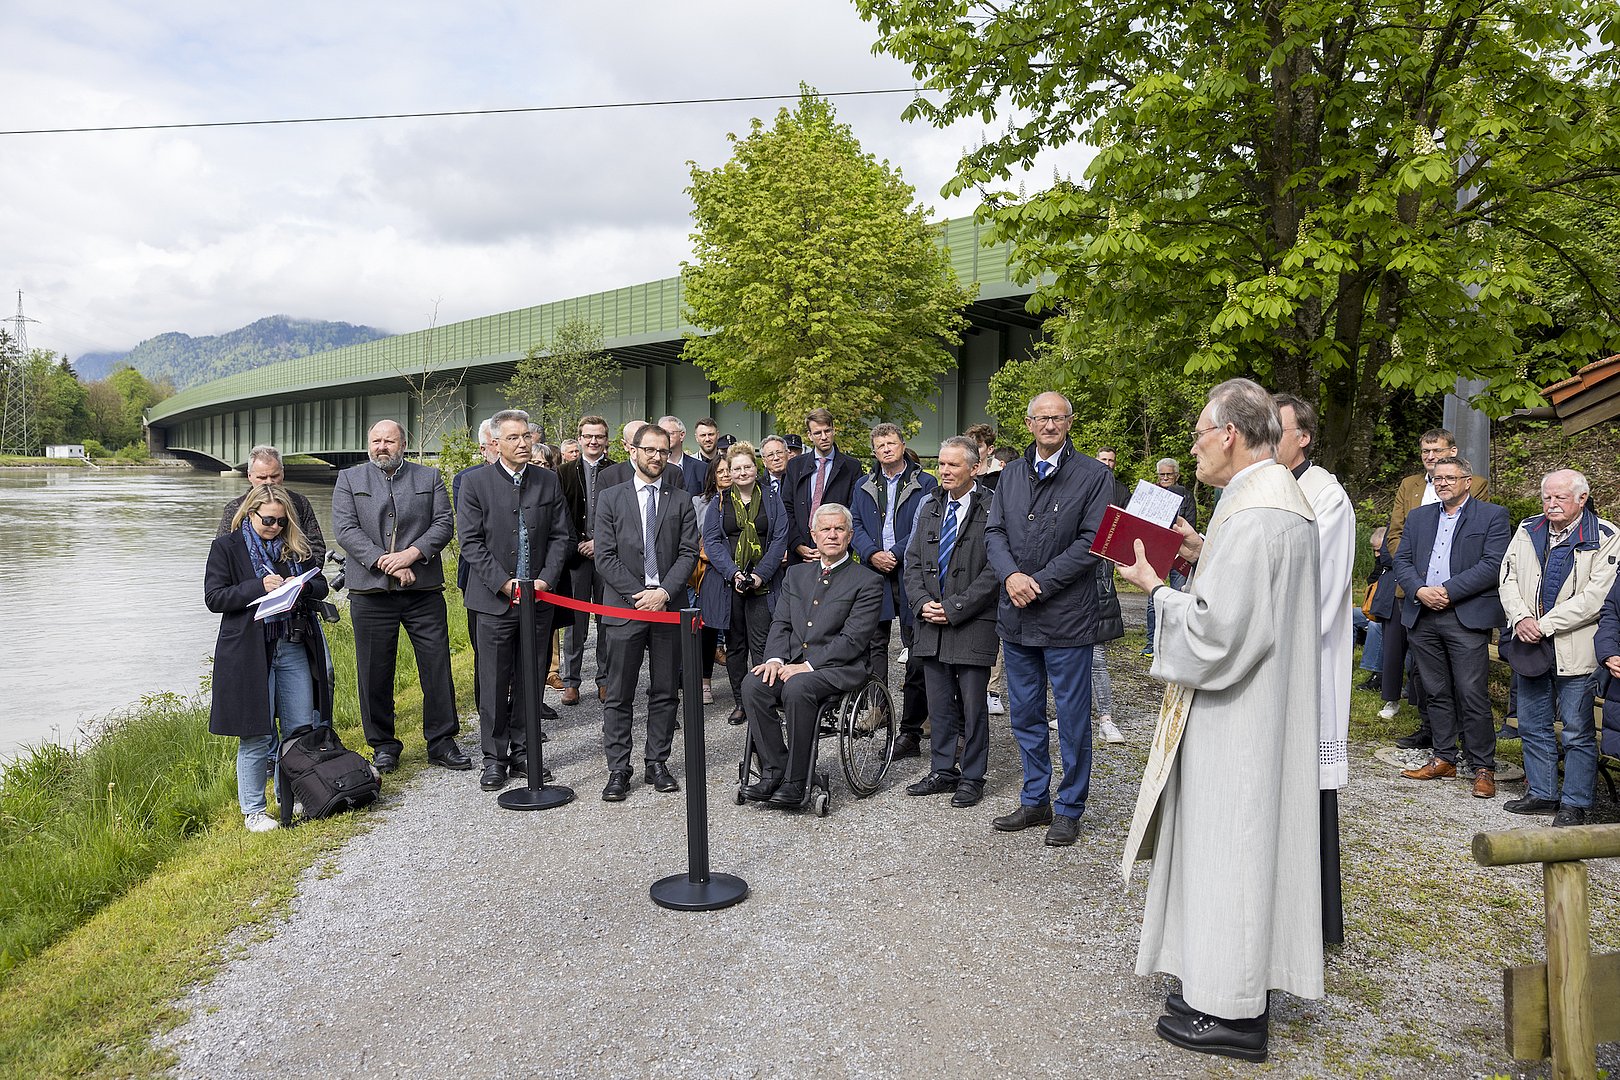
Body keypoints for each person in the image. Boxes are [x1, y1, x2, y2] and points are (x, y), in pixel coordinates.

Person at [1118, 377, 1323, 1065]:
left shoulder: (1257, 513)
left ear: (1229, 434)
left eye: (1200, 434)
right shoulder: (1273, 500)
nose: (1195, 448)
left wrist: (1155, 588)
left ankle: (1232, 1012)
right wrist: (1202, 553)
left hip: (1240, 719)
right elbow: (1248, 592)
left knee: (1232, 851)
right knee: (1232, 850)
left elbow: (1218, 632)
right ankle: (1214, 985)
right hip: (1259, 708)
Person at [984, 392, 1114, 847]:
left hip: (1066, 618)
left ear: (1070, 422)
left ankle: (1070, 807)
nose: (1049, 425)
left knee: (1073, 719)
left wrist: (1037, 583)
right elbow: (994, 532)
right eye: (1041, 418)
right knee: (1024, 714)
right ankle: (1035, 798)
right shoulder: (1011, 474)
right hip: (1017, 617)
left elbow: (1092, 542)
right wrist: (1010, 576)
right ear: (1028, 424)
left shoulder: (1094, 476)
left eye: (1057, 418)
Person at [332, 420, 468, 774]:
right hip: (370, 592)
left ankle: (442, 742)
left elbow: (443, 524)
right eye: (375, 440)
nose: (382, 446)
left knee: (436, 667)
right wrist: (386, 563)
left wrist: (411, 555)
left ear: (403, 444)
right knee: (374, 672)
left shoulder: (429, 477)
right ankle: (383, 746)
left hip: (422, 590)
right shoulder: (349, 479)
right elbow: (345, 530)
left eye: (389, 441)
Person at [456, 411, 574, 792]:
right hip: (494, 600)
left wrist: (545, 579)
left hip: (538, 598)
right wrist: (504, 584)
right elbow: (470, 542)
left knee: (531, 677)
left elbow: (561, 536)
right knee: (492, 681)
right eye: (513, 438)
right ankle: (494, 758)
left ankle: (525, 752)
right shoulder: (474, 482)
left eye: (526, 436)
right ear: (495, 443)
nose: (522, 443)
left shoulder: (547, 480)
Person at [206, 484, 332, 832]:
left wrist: (302, 585)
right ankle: (254, 811)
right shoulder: (226, 547)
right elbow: (214, 597)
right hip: (249, 650)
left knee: (299, 728)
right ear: (250, 514)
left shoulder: (295, 546)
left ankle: (292, 797)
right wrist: (257, 587)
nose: (275, 527)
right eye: (268, 521)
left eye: (281, 521)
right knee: (256, 734)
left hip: (292, 644)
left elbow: (321, 585)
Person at [740, 503, 884, 807]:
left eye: (839, 529)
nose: (832, 535)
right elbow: (781, 623)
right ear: (814, 535)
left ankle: (796, 780)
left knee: (797, 687)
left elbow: (853, 639)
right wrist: (775, 660)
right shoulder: (796, 574)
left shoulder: (868, 580)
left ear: (849, 536)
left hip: (840, 667)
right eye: (825, 529)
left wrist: (808, 666)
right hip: (793, 663)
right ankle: (775, 770)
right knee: (753, 684)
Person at [1498, 469, 1619, 826]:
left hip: (1575, 648)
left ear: (1582, 499)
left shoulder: (1606, 535)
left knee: (1577, 730)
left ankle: (1575, 803)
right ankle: (1542, 792)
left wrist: (1544, 625)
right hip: (1530, 644)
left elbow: (1596, 598)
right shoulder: (1528, 528)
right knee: (1532, 723)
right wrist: (1521, 617)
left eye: (1560, 497)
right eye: (1547, 497)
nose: (1551, 504)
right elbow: (1507, 577)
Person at [592, 422, 699, 801]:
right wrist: (641, 594)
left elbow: (688, 552)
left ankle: (657, 762)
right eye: (650, 450)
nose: (657, 457)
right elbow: (604, 556)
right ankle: (618, 770)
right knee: (619, 693)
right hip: (625, 609)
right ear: (633, 451)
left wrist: (664, 592)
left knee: (666, 691)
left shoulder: (681, 499)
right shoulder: (610, 497)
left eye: (663, 451)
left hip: (668, 610)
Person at [1393, 455, 1510, 798]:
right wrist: (1419, 590)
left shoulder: (1492, 515)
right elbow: (1402, 560)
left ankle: (1482, 766)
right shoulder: (1419, 517)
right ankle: (1444, 757)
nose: (1442, 483)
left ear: (1467, 482)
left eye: (1449, 478)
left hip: (1464, 614)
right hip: (1423, 613)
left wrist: (1448, 591)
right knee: (1435, 690)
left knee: (1471, 692)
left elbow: (1493, 564)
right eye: (1437, 478)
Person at [902, 437, 999, 806]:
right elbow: (913, 561)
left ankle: (972, 777)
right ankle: (943, 770)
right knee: (939, 703)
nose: (944, 471)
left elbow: (996, 569)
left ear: (974, 468)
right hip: (930, 621)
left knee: (973, 707)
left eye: (953, 465)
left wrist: (957, 606)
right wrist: (921, 602)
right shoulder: (930, 505)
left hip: (973, 621)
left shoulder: (993, 506)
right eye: (941, 464)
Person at [1376, 428, 1490, 737]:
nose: (1430, 457)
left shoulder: (1476, 485)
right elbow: (1396, 534)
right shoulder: (1409, 485)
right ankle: (1430, 731)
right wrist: (1417, 580)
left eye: (1437, 451)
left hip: (1456, 595)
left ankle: (1465, 740)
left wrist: (1444, 588)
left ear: (1452, 452)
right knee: (1421, 667)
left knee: (1462, 678)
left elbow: (1471, 540)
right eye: (1425, 451)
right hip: (1413, 587)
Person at [852, 423, 938, 760]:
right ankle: (878, 707)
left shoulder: (925, 482)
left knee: (917, 645)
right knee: (874, 644)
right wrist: (872, 553)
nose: (886, 449)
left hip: (911, 570)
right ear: (874, 451)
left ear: (903, 445)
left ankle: (919, 717)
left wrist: (897, 553)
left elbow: (925, 524)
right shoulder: (863, 485)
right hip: (873, 571)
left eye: (891, 443)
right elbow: (855, 523)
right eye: (880, 445)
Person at [700, 441, 791, 725]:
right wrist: (734, 574)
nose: (742, 472)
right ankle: (741, 701)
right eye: (736, 468)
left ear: (756, 467)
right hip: (731, 584)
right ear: (729, 471)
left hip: (764, 583)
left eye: (747, 467)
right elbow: (712, 541)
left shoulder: (772, 499)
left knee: (762, 645)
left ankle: (764, 699)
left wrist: (761, 574)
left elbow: (780, 539)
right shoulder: (719, 502)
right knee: (736, 646)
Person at [556, 414, 614, 706]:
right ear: (579, 439)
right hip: (576, 556)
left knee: (607, 620)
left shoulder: (617, 471)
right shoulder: (563, 472)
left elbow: (623, 515)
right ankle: (571, 681)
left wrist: (600, 542)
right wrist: (576, 543)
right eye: (588, 436)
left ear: (606, 440)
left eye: (599, 436)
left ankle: (605, 679)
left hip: (609, 556)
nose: (593, 441)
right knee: (575, 622)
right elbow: (559, 513)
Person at [452, 418, 500, 704]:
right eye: (495, 442)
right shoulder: (466, 479)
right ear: (484, 448)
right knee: (485, 650)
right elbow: (474, 531)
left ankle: (526, 708)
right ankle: (488, 709)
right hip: (478, 576)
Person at [216, 445, 326, 566]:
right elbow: (222, 554)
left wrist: (305, 573)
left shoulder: (300, 503)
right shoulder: (234, 508)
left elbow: (317, 547)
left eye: (274, 476)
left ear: (282, 473)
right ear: (249, 476)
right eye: (262, 477)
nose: (269, 482)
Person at [783, 408, 861, 562]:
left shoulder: (851, 467)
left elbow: (854, 512)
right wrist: (797, 544)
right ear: (809, 436)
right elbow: (786, 508)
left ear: (834, 430)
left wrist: (831, 549)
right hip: (799, 553)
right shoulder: (795, 466)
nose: (824, 437)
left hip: (836, 552)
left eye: (827, 431)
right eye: (818, 433)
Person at [1141, 457, 1198, 658]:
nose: (1165, 478)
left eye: (1169, 474)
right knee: (1153, 599)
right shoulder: (1150, 494)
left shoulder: (1186, 496)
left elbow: (1191, 523)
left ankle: (1175, 645)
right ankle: (1152, 642)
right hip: (1155, 552)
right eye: (1162, 474)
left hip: (1178, 553)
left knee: (1179, 597)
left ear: (1177, 475)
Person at [692, 455, 734, 704]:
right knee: (707, 629)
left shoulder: (745, 500)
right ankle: (704, 682)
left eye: (729, 470)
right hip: (709, 569)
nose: (726, 474)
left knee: (735, 631)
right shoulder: (699, 502)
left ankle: (740, 686)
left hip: (736, 569)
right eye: (721, 471)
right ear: (713, 475)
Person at [1358, 527, 1391, 691]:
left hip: (1383, 611)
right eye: (1374, 551)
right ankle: (1340, 660)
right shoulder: (1381, 566)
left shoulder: (1392, 566)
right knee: (1348, 616)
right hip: (1371, 607)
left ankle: (1377, 675)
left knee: (1375, 625)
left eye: (1379, 550)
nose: (1377, 555)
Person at [656, 415, 700, 493]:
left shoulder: (700, 468)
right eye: (661, 434)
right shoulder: (653, 467)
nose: (665, 437)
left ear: (682, 435)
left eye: (670, 433)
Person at [760, 435, 791, 502]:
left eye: (779, 452)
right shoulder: (758, 486)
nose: (776, 458)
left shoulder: (798, 481)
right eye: (770, 455)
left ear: (788, 455)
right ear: (764, 461)